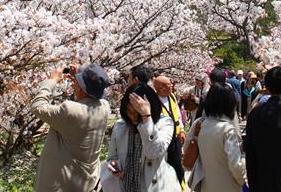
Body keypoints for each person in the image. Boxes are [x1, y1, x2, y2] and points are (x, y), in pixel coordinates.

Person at [31, 64, 111, 192]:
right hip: (87, 183)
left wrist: (52, 80)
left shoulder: (69, 111)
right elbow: (84, 98)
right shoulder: (105, 107)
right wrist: (80, 76)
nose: (73, 83)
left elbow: (38, 106)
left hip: (62, 185)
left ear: (82, 87)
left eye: (76, 81)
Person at [102, 82, 180, 192]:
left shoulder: (164, 123)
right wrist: (114, 165)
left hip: (155, 187)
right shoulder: (121, 126)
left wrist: (146, 117)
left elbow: (153, 152)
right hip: (126, 185)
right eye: (128, 111)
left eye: (137, 112)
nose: (132, 116)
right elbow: (112, 156)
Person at [185, 83, 246, 192]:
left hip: (204, 184)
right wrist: (242, 180)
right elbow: (235, 164)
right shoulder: (227, 130)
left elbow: (187, 149)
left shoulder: (198, 124)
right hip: (227, 185)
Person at [154, 75, 186, 186]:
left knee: (177, 166)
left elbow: (178, 115)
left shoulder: (171, 97)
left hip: (175, 137)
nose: (171, 85)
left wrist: (181, 130)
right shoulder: (153, 100)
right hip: (162, 138)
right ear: (160, 87)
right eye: (168, 84)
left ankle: (180, 186)